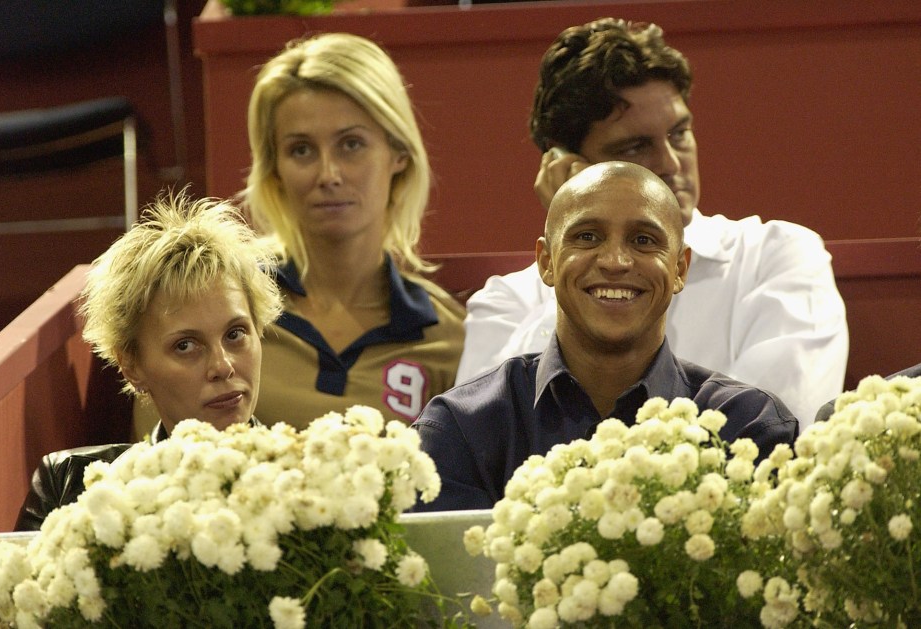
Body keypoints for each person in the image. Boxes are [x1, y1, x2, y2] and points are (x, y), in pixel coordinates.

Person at [456, 18, 848, 430]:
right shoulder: (505, 304)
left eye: (679, 134)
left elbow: (777, 434)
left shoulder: (776, 258)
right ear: (569, 167)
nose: (671, 164)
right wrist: (572, 275)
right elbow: (490, 440)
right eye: (635, 146)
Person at [412, 161, 798, 511]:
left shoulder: (747, 427)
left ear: (680, 268)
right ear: (546, 262)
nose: (615, 261)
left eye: (644, 240)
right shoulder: (461, 429)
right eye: (587, 237)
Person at [14, 193, 283, 531]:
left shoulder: (318, 484)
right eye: (186, 345)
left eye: (235, 334)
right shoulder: (72, 489)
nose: (223, 366)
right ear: (132, 367)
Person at [243, 32, 465, 430]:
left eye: (351, 144)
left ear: (398, 153)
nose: (328, 175)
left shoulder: (450, 337)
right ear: (274, 169)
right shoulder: (228, 300)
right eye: (301, 150)